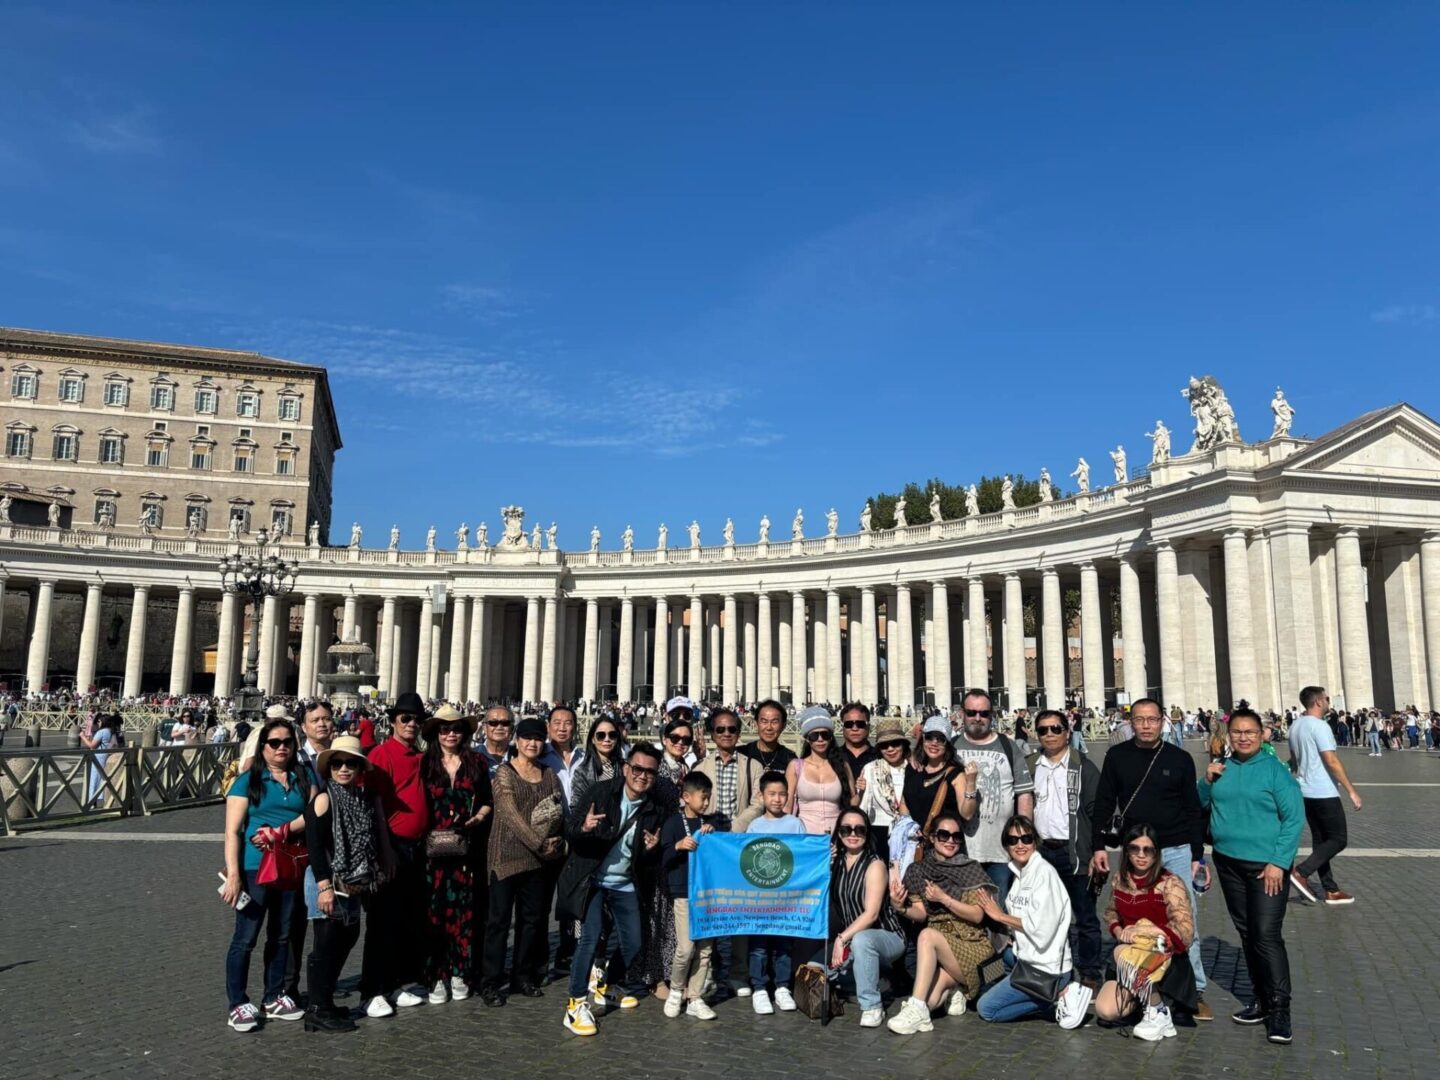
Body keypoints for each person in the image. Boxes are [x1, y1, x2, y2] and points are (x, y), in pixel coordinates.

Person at [1090, 697, 1212, 1021]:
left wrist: (1198, 856)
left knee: (1186, 918)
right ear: (1131, 723)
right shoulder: (1117, 756)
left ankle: (1193, 990)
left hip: (1174, 848)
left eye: (1152, 719)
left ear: (1162, 722)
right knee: (1131, 913)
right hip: (1135, 851)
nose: (1146, 725)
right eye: (1140, 720)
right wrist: (1098, 846)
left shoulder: (1181, 759)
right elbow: (1103, 803)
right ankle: (1142, 981)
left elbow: (1192, 809)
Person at [1199, 708, 1304, 1045]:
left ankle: (1279, 1009)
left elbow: (1293, 820)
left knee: (1266, 935)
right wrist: (1206, 780)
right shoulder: (1223, 768)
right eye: (1238, 732)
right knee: (1247, 933)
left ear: (1262, 735)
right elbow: (1199, 805)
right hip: (1229, 863)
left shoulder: (1276, 772)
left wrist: (1278, 862)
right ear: (1229, 736)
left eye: (1250, 732)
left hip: (1266, 867)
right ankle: (1260, 999)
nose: (1243, 737)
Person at [558, 741, 669, 1036]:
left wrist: (652, 850)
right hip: (592, 879)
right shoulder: (600, 793)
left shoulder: (654, 808)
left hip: (624, 883)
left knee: (633, 943)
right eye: (637, 769)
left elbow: (645, 858)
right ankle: (575, 1004)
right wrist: (583, 828)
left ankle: (604, 984)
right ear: (625, 768)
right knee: (590, 938)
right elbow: (570, 830)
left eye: (649, 772)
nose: (642, 776)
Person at [220, 715, 311, 1032]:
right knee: (245, 937)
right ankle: (237, 1003)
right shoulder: (248, 780)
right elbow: (232, 832)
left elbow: (316, 812)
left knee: (282, 935)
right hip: (253, 868)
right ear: (263, 747)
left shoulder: (303, 776)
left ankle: (273, 996)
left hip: (289, 866)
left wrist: (282, 831)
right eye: (274, 742)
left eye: (288, 742)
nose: (282, 747)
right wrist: (233, 875)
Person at [302, 734, 393, 1033]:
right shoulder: (323, 799)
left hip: (352, 882)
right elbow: (315, 847)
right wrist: (325, 887)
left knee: (347, 936)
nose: (343, 769)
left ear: (358, 768)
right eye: (338, 763)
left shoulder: (360, 799)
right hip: (326, 881)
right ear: (329, 768)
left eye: (350, 763)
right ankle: (316, 1008)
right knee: (326, 943)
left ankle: (325, 1000)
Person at [974, 815, 1093, 1027]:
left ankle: (1056, 996)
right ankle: (1020, 989)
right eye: (1013, 840)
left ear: (1035, 841)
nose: (1020, 845)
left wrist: (1000, 916)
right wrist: (1011, 936)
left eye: (1026, 839)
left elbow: (1042, 929)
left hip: (1044, 970)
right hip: (1024, 957)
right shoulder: (1019, 873)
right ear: (1006, 845)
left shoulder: (1044, 874)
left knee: (986, 1008)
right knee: (989, 967)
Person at [886, 812, 996, 1034]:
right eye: (944, 835)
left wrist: (944, 899)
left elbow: (977, 916)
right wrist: (901, 907)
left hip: (972, 943)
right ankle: (951, 990)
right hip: (943, 947)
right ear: (933, 838)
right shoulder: (918, 871)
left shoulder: (970, 868)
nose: (950, 841)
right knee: (931, 1001)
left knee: (926, 935)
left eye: (956, 837)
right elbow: (921, 912)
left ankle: (915, 1008)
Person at [481, 716, 565, 1005]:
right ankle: (490, 982)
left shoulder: (548, 774)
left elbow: (556, 810)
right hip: (505, 858)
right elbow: (510, 815)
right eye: (527, 738)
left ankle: (522, 976)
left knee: (532, 921)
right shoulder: (504, 773)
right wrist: (540, 844)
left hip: (536, 862)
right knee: (499, 923)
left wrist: (557, 840)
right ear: (517, 741)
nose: (533, 743)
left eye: (538, 738)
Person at [359, 692, 431, 1018]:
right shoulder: (381, 754)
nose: (411, 724)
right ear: (393, 722)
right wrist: (384, 849)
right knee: (381, 921)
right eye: (405, 718)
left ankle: (399, 983)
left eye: (416, 719)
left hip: (418, 847)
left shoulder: (420, 755)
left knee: (409, 919)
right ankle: (373, 989)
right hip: (391, 845)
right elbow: (372, 804)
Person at [1093, 823, 1197, 1041]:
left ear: (1156, 853)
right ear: (1126, 851)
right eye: (1134, 848)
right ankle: (1144, 1005)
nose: (1141, 855)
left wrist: (1151, 930)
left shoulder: (1170, 883)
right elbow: (1110, 914)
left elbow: (1186, 931)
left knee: (1121, 952)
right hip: (1127, 961)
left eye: (1148, 850)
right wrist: (1120, 930)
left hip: (1164, 959)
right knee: (1105, 1010)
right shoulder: (1120, 880)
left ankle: (1158, 1009)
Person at [421, 705, 492, 1004]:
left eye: (456, 729)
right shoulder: (424, 764)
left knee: (464, 912)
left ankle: (460, 971)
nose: (451, 734)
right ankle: (437, 974)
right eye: (445, 729)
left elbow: (487, 800)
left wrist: (477, 818)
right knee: (433, 913)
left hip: (465, 849)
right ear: (437, 733)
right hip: (432, 853)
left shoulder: (476, 762)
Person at [1029, 709, 1103, 986]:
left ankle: (1091, 972)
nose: (1049, 734)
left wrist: (1097, 850)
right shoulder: (1029, 764)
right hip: (1040, 852)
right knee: (1046, 916)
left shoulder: (1084, 766)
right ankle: (1052, 968)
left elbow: (1097, 813)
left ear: (1067, 731)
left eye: (1055, 728)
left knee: (1085, 916)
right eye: (1043, 730)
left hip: (1075, 851)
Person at [693, 707, 763, 994]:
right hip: (709, 849)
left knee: (740, 910)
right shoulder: (701, 768)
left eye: (731, 730)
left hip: (738, 845)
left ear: (739, 733)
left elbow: (759, 801)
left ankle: (738, 972)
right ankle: (705, 972)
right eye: (720, 730)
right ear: (712, 735)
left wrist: (737, 825)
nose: (725, 734)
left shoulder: (752, 765)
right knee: (709, 910)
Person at [952, 689, 1033, 903]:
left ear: (992, 715)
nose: (977, 718)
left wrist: (1024, 836)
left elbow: (1024, 792)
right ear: (962, 713)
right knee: (966, 912)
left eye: (984, 713)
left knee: (1001, 914)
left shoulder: (1008, 746)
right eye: (971, 712)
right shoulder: (951, 747)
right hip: (961, 851)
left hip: (1002, 851)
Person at [829, 808, 905, 1027]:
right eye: (846, 829)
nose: (853, 834)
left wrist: (842, 938)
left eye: (859, 829)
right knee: (818, 970)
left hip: (886, 936)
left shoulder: (875, 864)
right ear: (839, 833)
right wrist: (825, 863)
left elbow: (871, 914)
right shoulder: (837, 862)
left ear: (867, 832)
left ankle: (872, 1006)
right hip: (851, 938)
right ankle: (876, 978)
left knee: (863, 942)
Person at [660, 772, 726, 1020]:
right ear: (686, 797)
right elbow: (664, 857)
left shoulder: (709, 824)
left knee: (706, 949)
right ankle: (677, 990)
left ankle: (696, 997)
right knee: (686, 948)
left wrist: (713, 832)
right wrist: (678, 846)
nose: (706, 803)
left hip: (708, 895)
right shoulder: (673, 824)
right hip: (684, 894)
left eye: (708, 798)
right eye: (703, 798)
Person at [1287, 687, 1361, 906]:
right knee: (1338, 839)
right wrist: (1351, 790)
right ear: (1318, 702)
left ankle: (1330, 889)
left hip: (1305, 790)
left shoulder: (1295, 726)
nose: (1330, 702)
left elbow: (1294, 761)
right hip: (1323, 791)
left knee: (1321, 841)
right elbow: (1331, 760)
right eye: (1327, 698)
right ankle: (1301, 872)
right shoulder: (1320, 726)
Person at [285, 699, 335, 1003]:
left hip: (330, 854)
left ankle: (321, 989)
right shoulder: (295, 760)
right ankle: (288, 988)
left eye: (327, 718)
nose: (322, 724)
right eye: (315, 719)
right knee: (292, 925)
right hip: (299, 851)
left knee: (326, 925)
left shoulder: (342, 759)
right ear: (303, 726)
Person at [744, 770, 805, 1014]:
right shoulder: (754, 825)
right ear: (762, 796)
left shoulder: (795, 823)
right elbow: (746, 860)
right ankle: (759, 987)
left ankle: (781, 986)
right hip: (760, 898)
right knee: (758, 944)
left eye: (782, 794)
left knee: (784, 942)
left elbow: (804, 856)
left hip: (787, 898)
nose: (778, 799)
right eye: (772, 794)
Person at [540, 705, 584, 975]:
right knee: (541, 901)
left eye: (568, 722)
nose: (562, 727)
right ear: (548, 726)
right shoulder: (538, 755)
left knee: (572, 898)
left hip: (577, 837)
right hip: (547, 837)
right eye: (557, 722)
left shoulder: (584, 756)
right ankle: (537, 958)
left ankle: (568, 952)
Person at [904, 717, 978, 860]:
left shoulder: (955, 774)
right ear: (923, 739)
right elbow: (904, 804)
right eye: (929, 737)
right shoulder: (912, 768)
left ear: (948, 744)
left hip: (945, 851)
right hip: (913, 847)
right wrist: (908, 827)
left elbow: (967, 813)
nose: (934, 743)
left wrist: (971, 783)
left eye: (940, 739)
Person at [788, 706, 856, 836]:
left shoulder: (843, 766)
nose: (820, 739)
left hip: (837, 835)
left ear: (831, 737)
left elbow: (852, 800)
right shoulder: (795, 766)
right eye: (814, 735)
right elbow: (788, 804)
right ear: (807, 738)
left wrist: (862, 792)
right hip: (804, 835)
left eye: (825, 735)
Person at [858, 717, 913, 857]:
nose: (890, 749)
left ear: (903, 745)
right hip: (878, 832)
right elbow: (863, 806)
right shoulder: (870, 769)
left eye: (895, 744)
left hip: (908, 832)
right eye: (884, 745)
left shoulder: (913, 768)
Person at [569, 715, 628, 817]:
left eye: (612, 735)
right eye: (601, 735)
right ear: (593, 739)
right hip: (593, 828)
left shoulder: (626, 767)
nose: (607, 739)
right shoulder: (582, 771)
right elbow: (576, 807)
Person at [739, 699, 796, 774]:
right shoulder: (742, 754)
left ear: (783, 726)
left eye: (774, 722)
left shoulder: (790, 758)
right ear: (756, 724)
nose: (769, 727)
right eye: (764, 721)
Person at [80, 712, 124, 808]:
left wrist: (83, 737)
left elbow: (92, 746)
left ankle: (92, 801)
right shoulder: (112, 731)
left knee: (94, 779)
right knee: (103, 778)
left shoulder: (102, 732)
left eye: (99, 721)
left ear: (103, 722)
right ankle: (101, 798)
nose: (98, 723)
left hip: (98, 756)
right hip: (107, 756)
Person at [839, 702, 879, 777]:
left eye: (860, 724)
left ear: (868, 727)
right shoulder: (833, 757)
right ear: (842, 728)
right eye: (849, 724)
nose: (855, 728)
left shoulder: (880, 757)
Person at [475, 705, 514, 776]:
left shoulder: (520, 757)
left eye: (505, 723)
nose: (499, 727)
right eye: (493, 723)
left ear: (511, 728)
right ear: (484, 728)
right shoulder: (470, 756)